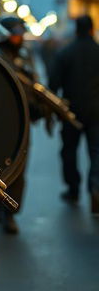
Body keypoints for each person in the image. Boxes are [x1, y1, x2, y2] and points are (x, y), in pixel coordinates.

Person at [0, 15, 44, 233]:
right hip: (1, 123)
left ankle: (9, 213)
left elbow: (34, 84)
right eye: (15, 33)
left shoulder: (23, 56)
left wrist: (38, 106)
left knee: (18, 171)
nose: (19, 37)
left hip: (22, 124)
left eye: (21, 33)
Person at [49, 15, 99, 214]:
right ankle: (96, 187)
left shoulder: (65, 53)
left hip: (72, 112)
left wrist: (54, 110)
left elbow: (54, 85)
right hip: (97, 112)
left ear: (76, 30)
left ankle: (73, 189)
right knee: (96, 152)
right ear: (92, 30)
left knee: (69, 151)